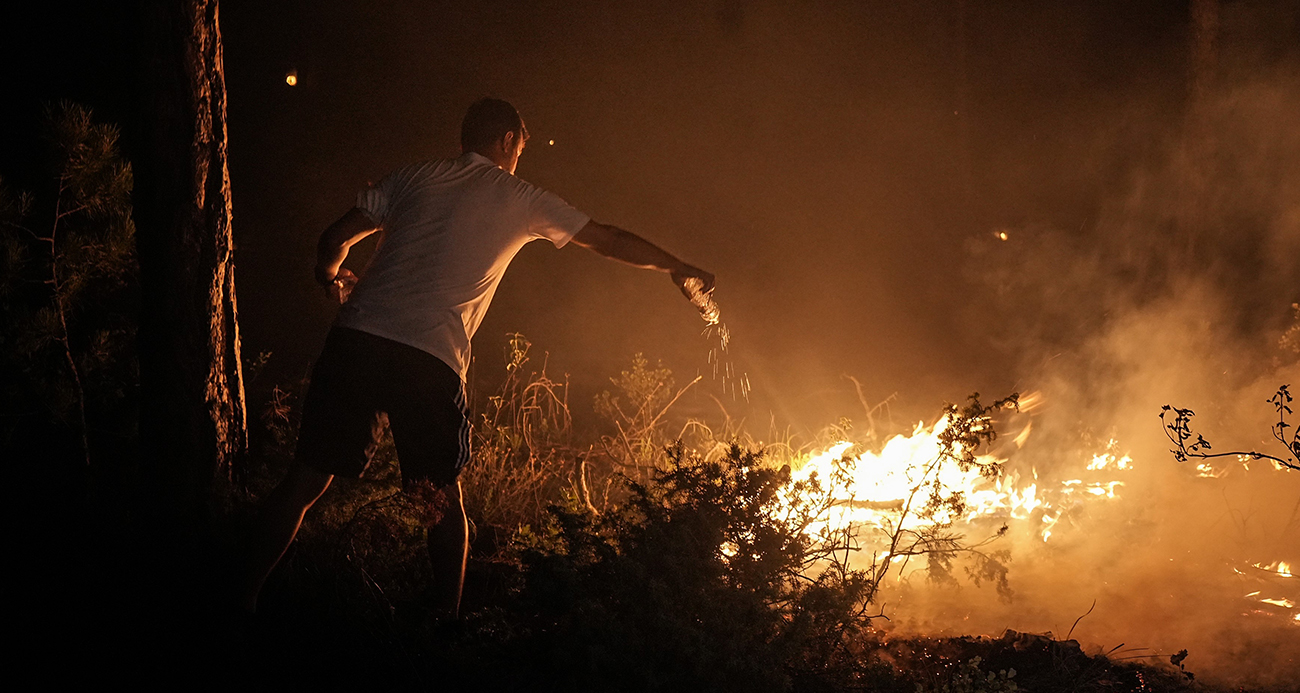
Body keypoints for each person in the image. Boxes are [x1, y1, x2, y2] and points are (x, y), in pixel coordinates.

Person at [238, 98, 714, 617]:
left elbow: (333, 239)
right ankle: (444, 628)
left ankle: (237, 600)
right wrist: (675, 265)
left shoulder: (414, 176)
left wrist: (331, 277)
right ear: (509, 141)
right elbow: (607, 240)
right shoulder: (520, 196)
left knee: (305, 482)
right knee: (438, 502)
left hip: (357, 341)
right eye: (520, 150)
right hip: (429, 357)